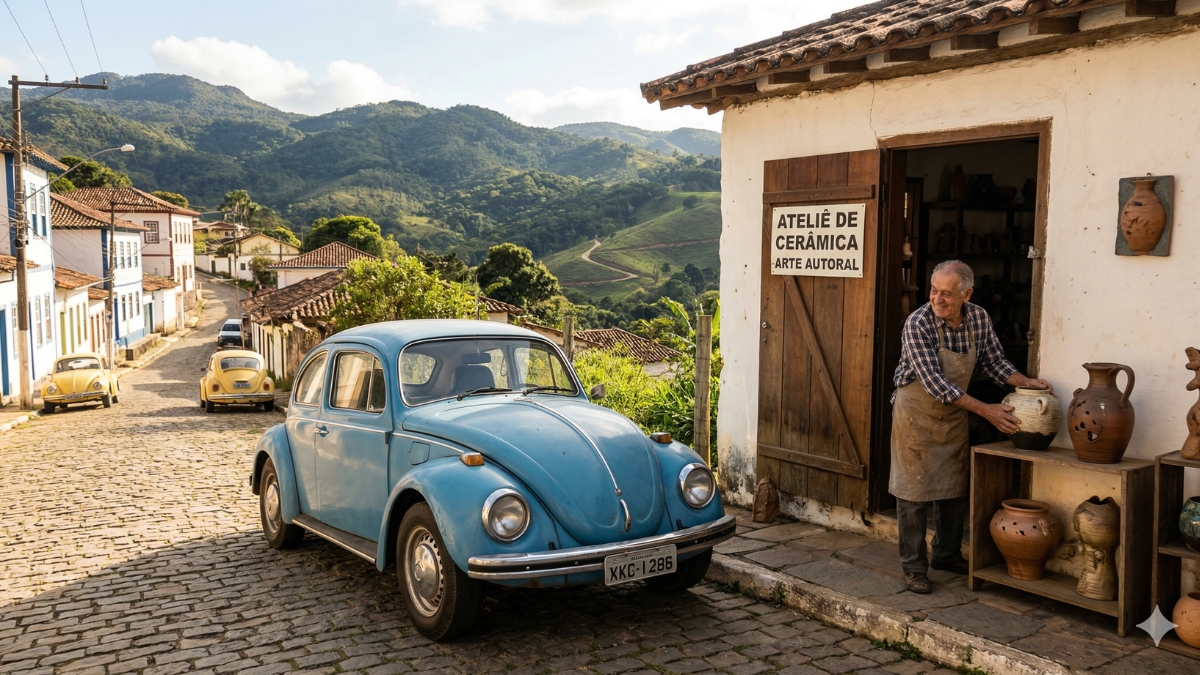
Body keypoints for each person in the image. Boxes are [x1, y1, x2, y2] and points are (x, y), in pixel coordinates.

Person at [890, 260, 1052, 594]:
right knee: (913, 492)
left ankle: (946, 554)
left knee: (953, 487)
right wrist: (985, 411)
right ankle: (914, 567)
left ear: (967, 294)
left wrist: (1024, 382)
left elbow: (994, 362)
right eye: (934, 291)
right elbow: (935, 383)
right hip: (915, 415)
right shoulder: (918, 322)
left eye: (947, 294)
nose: (937, 299)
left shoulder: (977, 318)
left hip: (951, 416)